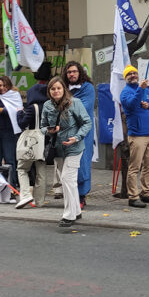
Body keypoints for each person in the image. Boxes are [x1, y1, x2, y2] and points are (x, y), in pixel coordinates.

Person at [41, 76, 93, 227]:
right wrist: (49, 130)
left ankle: (69, 215)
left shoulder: (74, 103)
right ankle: (76, 210)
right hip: (58, 148)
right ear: (49, 91)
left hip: (74, 147)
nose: (56, 91)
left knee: (66, 179)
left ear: (64, 89)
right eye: (53, 89)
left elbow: (87, 122)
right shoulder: (47, 106)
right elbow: (42, 126)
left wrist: (77, 137)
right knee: (69, 181)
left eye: (58, 88)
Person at [119, 65, 149, 208]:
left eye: (134, 73)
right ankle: (133, 196)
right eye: (129, 74)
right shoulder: (125, 92)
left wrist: (148, 105)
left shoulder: (147, 90)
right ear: (125, 78)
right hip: (137, 135)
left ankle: (145, 193)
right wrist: (141, 89)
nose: (133, 75)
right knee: (134, 167)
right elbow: (131, 105)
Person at [16, 63, 52, 208]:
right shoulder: (50, 107)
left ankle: (25, 195)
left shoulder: (32, 108)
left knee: (22, 168)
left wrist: (19, 113)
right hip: (45, 141)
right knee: (41, 171)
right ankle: (40, 201)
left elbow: (21, 123)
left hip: (31, 141)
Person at [64, 61, 96, 207]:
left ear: (80, 72)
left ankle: (81, 195)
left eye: (74, 71)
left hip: (83, 132)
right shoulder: (63, 88)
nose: (72, 74)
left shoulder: (88, 87)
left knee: (82, 162)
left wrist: (65, 104)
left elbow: (84, 106)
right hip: (66, 131)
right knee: (68, 164)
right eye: (69, 72)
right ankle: (70, 194)